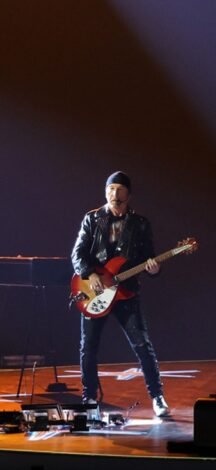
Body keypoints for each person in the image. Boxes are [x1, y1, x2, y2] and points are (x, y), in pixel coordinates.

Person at [71, 171, 170, 417]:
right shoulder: (92, 219)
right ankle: (89, 398)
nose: (114, 194)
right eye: (110, 189)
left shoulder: (140, 224)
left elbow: (149, 257)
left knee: (143, 345)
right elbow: (78, 253)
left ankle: (157, 397)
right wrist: (90, 274)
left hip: (126, 293)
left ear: (129, 194)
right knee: (88, 347)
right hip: (96, 291)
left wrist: (154, 269)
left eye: (119, 189)